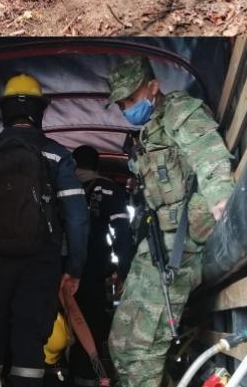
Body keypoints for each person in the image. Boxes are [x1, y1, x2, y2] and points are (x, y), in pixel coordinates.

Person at [105, 56, 234, 387]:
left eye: (131, 99)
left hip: (182, 246)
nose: (126, 108)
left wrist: (220, 197)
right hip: (156, 245)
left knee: (141, 352)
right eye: (121, 104)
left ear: (153, 87)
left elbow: (207, 152)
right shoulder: (150, 131)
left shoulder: (179, 110)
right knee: (119, 344)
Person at [0, 73, 89, 387]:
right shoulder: (57, 154)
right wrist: (74, 268)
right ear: (40, 111)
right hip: (41, 261)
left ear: (4, 110)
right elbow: (77, 218)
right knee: (30, 343)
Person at [69, 144, 134, 386]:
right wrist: (124, 272)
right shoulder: (110, 190)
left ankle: (57, 374)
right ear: (97, 166)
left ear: (73, 165)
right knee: (91, 321)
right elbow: (121, 235)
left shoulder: (60, 185)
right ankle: (88, 378)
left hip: (57, 268)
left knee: (57, 323)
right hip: (94, 268)